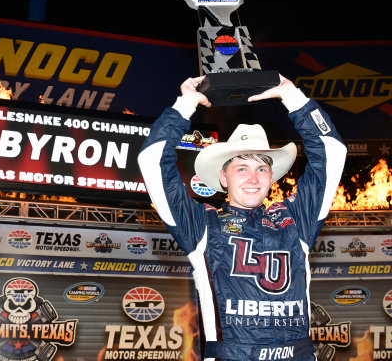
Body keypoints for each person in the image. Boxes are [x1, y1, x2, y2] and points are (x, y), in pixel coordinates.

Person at [137, 75, 347, 361]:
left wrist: (293, 97)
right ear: (222, 177)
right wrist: (185, 104)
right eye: (241, 168)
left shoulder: (295, 218)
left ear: (272, 176)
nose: (253, 178)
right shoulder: (202, 224)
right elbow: (151, 160)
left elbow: (332, 153)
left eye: (262, 168)